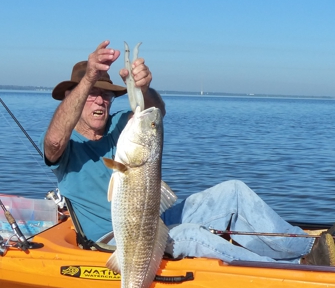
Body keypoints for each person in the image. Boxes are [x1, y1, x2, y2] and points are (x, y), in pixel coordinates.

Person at [40, 40, 335, 267]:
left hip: (154, 216)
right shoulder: (67, 148)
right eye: (91, 92)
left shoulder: (123, 127)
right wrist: (89, 76)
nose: (100, 100)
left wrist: (144, 89)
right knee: (192, 236)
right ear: (73, 98)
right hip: (119, 239)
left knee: (233, 191)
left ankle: (312, 249)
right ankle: (296, 273)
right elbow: (53, 142)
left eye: (106, 94)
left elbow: (157, 113)